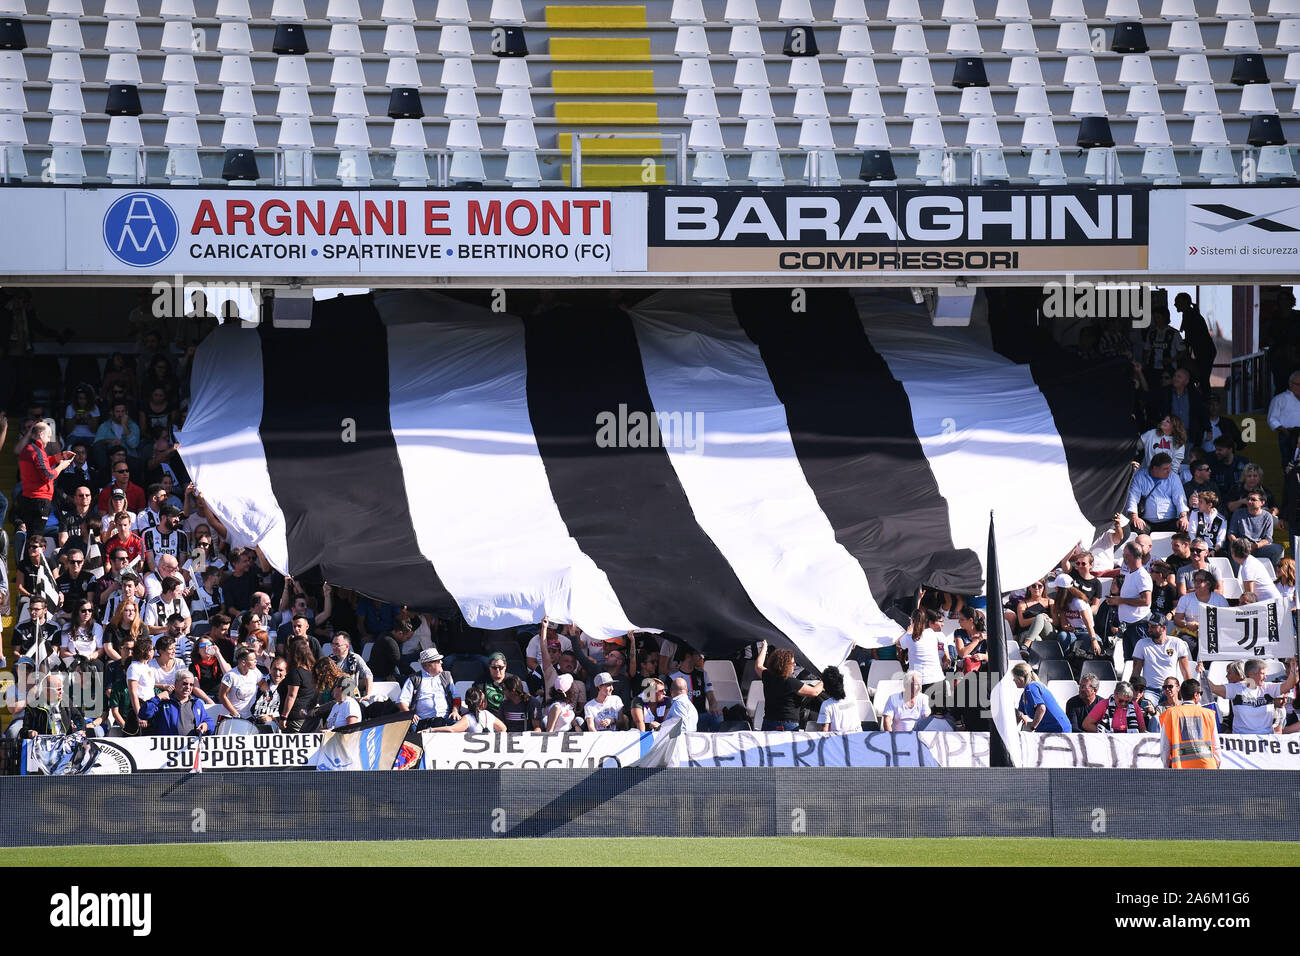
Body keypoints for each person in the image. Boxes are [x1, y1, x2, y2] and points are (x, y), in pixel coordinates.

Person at [14, 420, 76, 556]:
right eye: (48, 436)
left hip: (30, 499)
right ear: (41, 434)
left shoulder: (28, 449)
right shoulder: (37, 451)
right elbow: (48, 475)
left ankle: (28, 569)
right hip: (40, 500)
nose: (49, 440)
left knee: (31, 538)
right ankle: (33, 571)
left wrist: (60, 456)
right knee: (36, 541)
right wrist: (61, 466)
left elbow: (43, 463)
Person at [1203, 657, 1299, 735]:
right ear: (1251, 674)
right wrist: (1202, 672)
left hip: (1265, 739)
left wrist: (1294, 669)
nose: (1265, 677)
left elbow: (1289, 685)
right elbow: (1213, 688)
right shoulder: (1235, 689)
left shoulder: (1269, 688)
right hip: (1242, 740)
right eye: (1262, 674)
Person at [754, 642, 822, 731]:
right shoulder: (792, 683)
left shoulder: (767, 676)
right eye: (792, 663)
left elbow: (758, 665)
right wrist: (825, 680)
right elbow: (815, 692)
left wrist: (764, 648)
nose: (794, 665)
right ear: (785, 665)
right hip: (787, 725)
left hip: (768, 722)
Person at [1159, 678, 1221, 769]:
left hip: (1180, 769)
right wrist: (1216, 764)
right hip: (1207, 767)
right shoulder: (1208, 714)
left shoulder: (1170, 713)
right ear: (1196, 695)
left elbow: (1165, 746)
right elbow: (1216, 745)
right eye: (1200, 694)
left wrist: (1166, 766)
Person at [1109, 541, 1153, 659]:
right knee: (1129, 662)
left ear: (1129, 556)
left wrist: (1120, 600)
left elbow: (1145, 601)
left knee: (1140, 660)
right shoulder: (1131, 573)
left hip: (1138, 626)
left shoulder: (1142, 576)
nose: (1123, 557)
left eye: (1124, 554)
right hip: (1129, 626)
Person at [1125, 452, 1189, 533]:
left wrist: (1183, 517)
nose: (1169, 471)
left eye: (1169, 467)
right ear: (1155, 468)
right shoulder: (1140, 477)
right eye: (1165, 469)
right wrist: (1135, 517)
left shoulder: (1174, 477)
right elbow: (1133, 498)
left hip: (1169, 520)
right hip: (1146, 522)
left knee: (1183, 527)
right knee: (1135, 527)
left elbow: (1180, 499)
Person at [398, 646, 459, 730]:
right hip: (422, 721)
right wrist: (410, 714)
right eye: (438, 661)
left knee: (458, 723)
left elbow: (456, 697)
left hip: (446, 718)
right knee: (411, 726)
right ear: (428, 665)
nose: (441, 662)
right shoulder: (414, 679)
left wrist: (455, 711)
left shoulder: (447, 676)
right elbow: (402, 701)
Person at [667, 645, 723, 732]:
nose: (700, 657)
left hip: (701, 715)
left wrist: (713, 706)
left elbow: (711, 696)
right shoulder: (672, 676)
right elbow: (669, 701)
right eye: (697, 654)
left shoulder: (702, 674)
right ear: (688, 656)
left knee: (717, 717)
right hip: (682, 716)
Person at [138, 669, 209, 736]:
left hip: (190, 747)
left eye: (191, 685)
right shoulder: (163, 701)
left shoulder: (197, 703)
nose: (188, 687)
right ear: (176, 683)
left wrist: (206, 725)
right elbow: (143, 714)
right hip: (166, 747)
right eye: (185, 683)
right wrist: (158, 698)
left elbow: (208, 720)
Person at [1130, 616, 1195, 687]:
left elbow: (1186, 673)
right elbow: (1136, 672)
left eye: (1153, 627)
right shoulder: (1142, 644)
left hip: (1171, 689)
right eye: (1149, 626)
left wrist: (1189, 693)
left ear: (1163, 628)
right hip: (1150, 690)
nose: (1149, 630)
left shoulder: (1177, 643)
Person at [1227, 492, 1283, 567]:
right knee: (1236, 551)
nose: (1249, 501)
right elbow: (1231, 533)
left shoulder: (1267, 516)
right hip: (1241, 546)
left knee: (1278, 549)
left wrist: (1256, 545)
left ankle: (1276, 575)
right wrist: (1239, 544)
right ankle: (1238, 578)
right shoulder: (1238, 513)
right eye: (1248, 499)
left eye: (1253, 500)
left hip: (1258, 547)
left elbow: (1268, 539)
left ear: (1262, 502)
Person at [1012, 662, 1070, 733]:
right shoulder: (1025, 694)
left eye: (1014, 677)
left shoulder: (1031, 687)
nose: (1013, 680)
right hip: (1048, 728)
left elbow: (1041, 708)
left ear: (1020, 679)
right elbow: (1020, 713)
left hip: (1057, 728)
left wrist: (1032, 728)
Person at [279, 637, 319, 733]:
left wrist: (284, 716)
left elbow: (291, 695)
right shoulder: (312, 671)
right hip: (310, 716)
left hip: (295, 718)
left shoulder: (296, 672)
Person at [427, 686, 506, 734]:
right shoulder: (487, 714)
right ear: (483, 703)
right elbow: (503, 728)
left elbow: (452, 730)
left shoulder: (468, 718)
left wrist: (431, 730)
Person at [1082, 680, 1148, 733]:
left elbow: (1142, 729)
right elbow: (1086, 724)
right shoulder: (1103, 704)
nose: (1123, 704)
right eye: (1121, 700)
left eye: (1127, 701)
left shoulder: (1134, 706)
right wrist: (1105, 732)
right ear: (1115, 694)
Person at [1228, 537, 1281, 602]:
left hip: (1271, 605)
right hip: (1273, 602)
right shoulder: (1251, 561)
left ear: (1233, 553)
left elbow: (1249, 599)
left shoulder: (1247, 567)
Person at [218, 647, 261, 721]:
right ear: (243, 662)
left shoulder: (255, 672)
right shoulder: (230, 676)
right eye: (252, 660)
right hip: (229, 716)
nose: (256, 661)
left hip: (248, 716)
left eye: (255, 659)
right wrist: (235, 714)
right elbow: (222, 696)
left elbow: (264, 685)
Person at [1267, 371, 1300, 465]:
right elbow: (1272, 419)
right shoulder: (1280, 399)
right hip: (1288, 434)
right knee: (1289, 464)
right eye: (1298, 384)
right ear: (1290, 384)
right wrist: (1285, 432)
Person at [816, 666, 859, 732]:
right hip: (858, 737)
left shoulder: (826, 705)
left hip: (837, 740)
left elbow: (824, 732)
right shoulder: (853, 698)